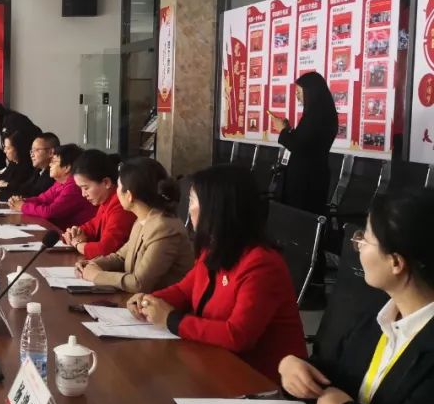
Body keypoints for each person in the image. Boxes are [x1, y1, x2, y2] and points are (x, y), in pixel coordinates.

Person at [279, 189, 434, 404]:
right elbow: (333, 378)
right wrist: (294, 369)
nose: (358, 245)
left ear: (396, 262)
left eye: (366, 238)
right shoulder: (376, 318)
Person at [127, 164, 306, 380]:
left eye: (193, 201)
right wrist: (149, 300)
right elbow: (185, 291)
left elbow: (238, 336)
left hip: (259, 379)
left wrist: (171, 319)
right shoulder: (212, 249)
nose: (189, 209)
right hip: (214, 363)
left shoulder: (261, 264)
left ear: (216, 208)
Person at [75, 158, 194, 293]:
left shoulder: (164, 228)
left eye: (118, 186)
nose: (116, 192)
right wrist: (93, 264)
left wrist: (96, 275)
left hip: (161, 302)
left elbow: (139, 283)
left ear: (129, 195)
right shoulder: (141, 221)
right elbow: (120, 257)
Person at [269, 71, 337, 214]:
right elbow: (306, 141)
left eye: (299, 92)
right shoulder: (324, 112)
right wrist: (288, 130)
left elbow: (298, 146)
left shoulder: (315, 115)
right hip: (313, 174)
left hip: (306, 178)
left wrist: (282, 130)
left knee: (300, 218)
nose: (297, 96)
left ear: (311, 92)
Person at [62, 150, 137, 258]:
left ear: (106, 182)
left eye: (86, 188)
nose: (83, 194)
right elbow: (93, 226)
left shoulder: (121, 205)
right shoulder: (106, 200)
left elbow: (105, 249)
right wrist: (75, 232)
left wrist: (78, 244)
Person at [8, 143, 95, 230]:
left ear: (67, 167)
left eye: (54, 162)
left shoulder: (73, 187)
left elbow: (49, 212)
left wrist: (22, 206)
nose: (50, 165)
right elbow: (42, 199)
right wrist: (22, 201)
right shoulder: (60, 182)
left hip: (73, 234)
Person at [0, 131, 35, 201]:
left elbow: (22, 191)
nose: (4, 151)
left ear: (18, 149)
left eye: (8, 148)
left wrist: (0, 194)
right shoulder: (13, 162)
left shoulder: (28, 167)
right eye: (4, 147)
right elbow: (4, 175)